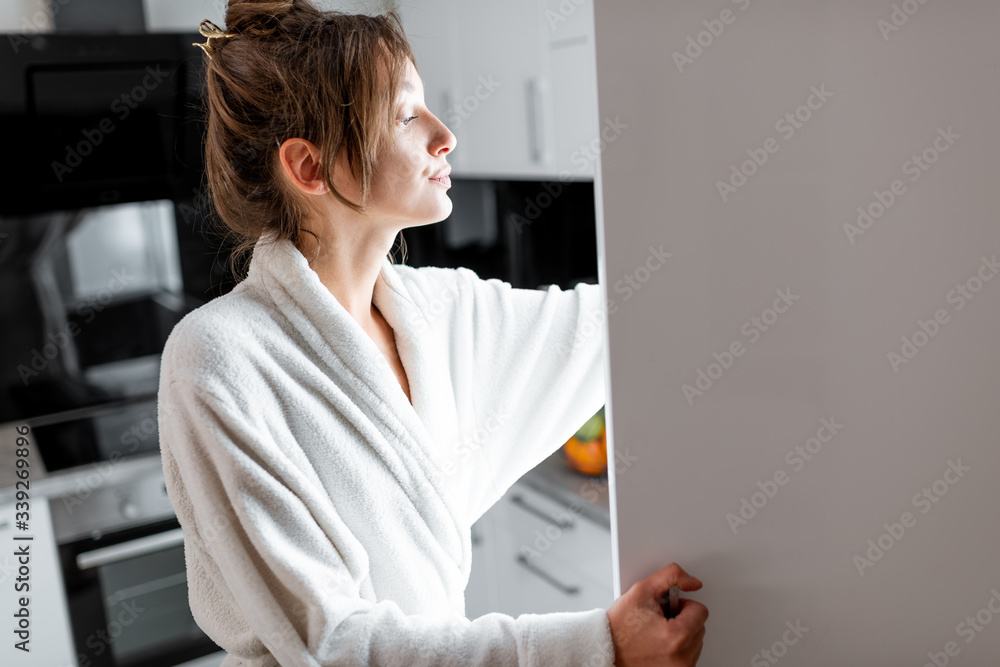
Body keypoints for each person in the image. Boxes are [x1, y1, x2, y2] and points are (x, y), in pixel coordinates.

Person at [159, 1, 709, 665]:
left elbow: (610, 328)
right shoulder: (217, 359)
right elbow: (333, 644)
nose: (445, 134)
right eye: (404, 115)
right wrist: (600, 647)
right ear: (309, 167)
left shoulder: (440, 310)